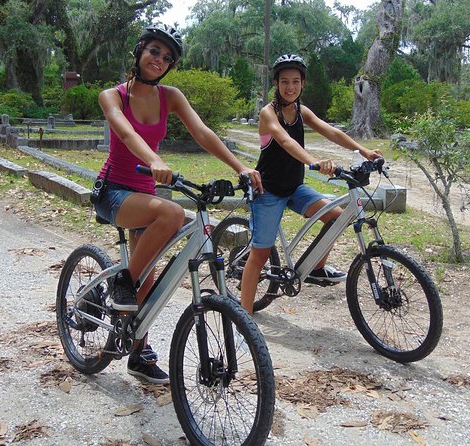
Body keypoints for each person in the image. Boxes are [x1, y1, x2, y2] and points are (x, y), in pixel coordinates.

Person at [93, 25, 262, 383]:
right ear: (139, 52)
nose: (160, 60)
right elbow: (125, 132)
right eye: (155, 51)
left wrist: (241, 166)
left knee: (150, 281)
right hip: (114, 193)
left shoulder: (170, 96)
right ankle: (118, 283)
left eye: (167, 58)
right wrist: (154, 159)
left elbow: (203, 132)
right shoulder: (113, 96)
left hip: (146, 197)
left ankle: (137, 353)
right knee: (170, 215)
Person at [240, 54, 382, 314]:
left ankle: (316, 268)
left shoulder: (301, 111)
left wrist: (364, 151)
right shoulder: (268, 112)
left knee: (336, 217)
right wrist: (314, 162)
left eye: (296, 81)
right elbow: (284, 141)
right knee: (260, 256)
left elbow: (332, 132)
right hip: (268, 191)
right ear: (276, 83)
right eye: (284, 81)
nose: (290, 87)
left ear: (303, 84)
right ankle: (243, 317)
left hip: (294, 188)